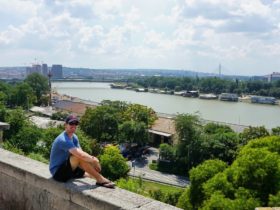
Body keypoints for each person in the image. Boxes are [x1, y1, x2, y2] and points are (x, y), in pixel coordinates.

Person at [49, 114, 115, 188]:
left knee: (89, 173)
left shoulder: (74, 137)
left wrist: (92, 163)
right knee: (78, 157)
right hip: (57, 173)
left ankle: (102, 179)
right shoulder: (63, 139)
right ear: (65, 125)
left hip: (68, 168)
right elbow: (80, 156)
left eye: (76, 124)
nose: (73, 126)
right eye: (71, 123)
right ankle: (100, 179)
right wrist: (95, 161)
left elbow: (82, 153)